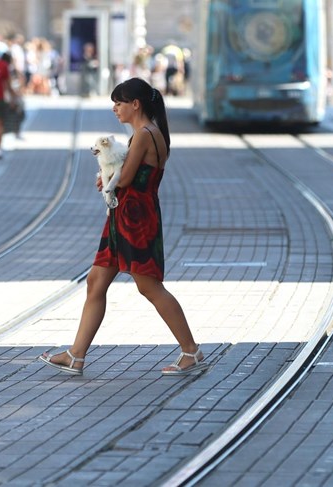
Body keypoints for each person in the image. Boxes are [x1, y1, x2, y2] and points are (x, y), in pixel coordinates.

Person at [38, 78, 207, 376]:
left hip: (137, 219)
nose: (115, 108)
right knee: (95, 282)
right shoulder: (147, 133)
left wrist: (109, 179)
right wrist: (109, 178)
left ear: (135, 104)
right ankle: (76, 355)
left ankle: (191, 350)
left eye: (119, 103)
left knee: (149, 287)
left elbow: (127, 179)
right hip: (126, 216)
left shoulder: (144, 134)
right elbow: (125, 176)